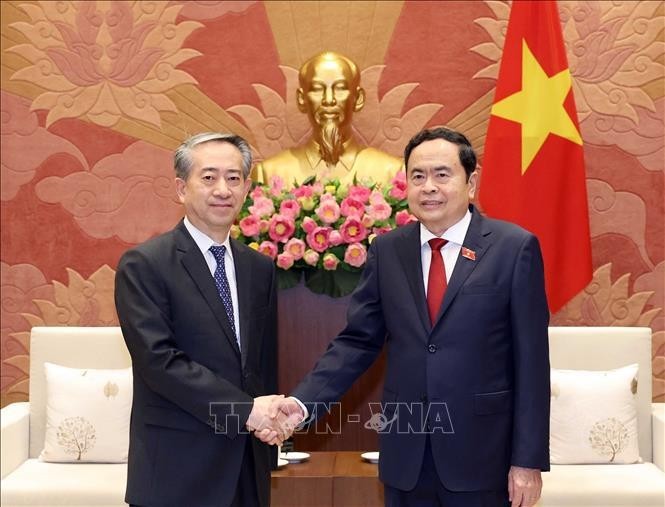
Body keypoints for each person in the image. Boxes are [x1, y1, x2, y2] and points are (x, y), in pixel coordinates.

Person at [273, 127, 550, 507]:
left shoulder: (513, 248)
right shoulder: (389, 251)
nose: (428, 187)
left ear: (471, 182)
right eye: (417, 176)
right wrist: (303, 403)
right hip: (407, 458)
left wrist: (527, 461)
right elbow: (358, 342)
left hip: (483, 455)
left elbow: (532, 364)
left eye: (442, 174)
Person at [115, 132, 283, 507]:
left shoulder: (259, 268)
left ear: (246, 188)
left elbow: (261, 363)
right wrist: (247, 412)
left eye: (234, 178)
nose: (222, 189)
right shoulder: (145, 265)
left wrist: (269, 433)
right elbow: (158, 362)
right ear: (181, 188)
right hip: (177, 468)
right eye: (208, 178)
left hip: (246, 466)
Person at [252, 51, 403, 188]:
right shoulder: (268, 174)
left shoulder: (393, 173)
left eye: (340, 88)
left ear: (358, 99)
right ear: (301, 99)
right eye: (317, 89)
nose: (329, 100)